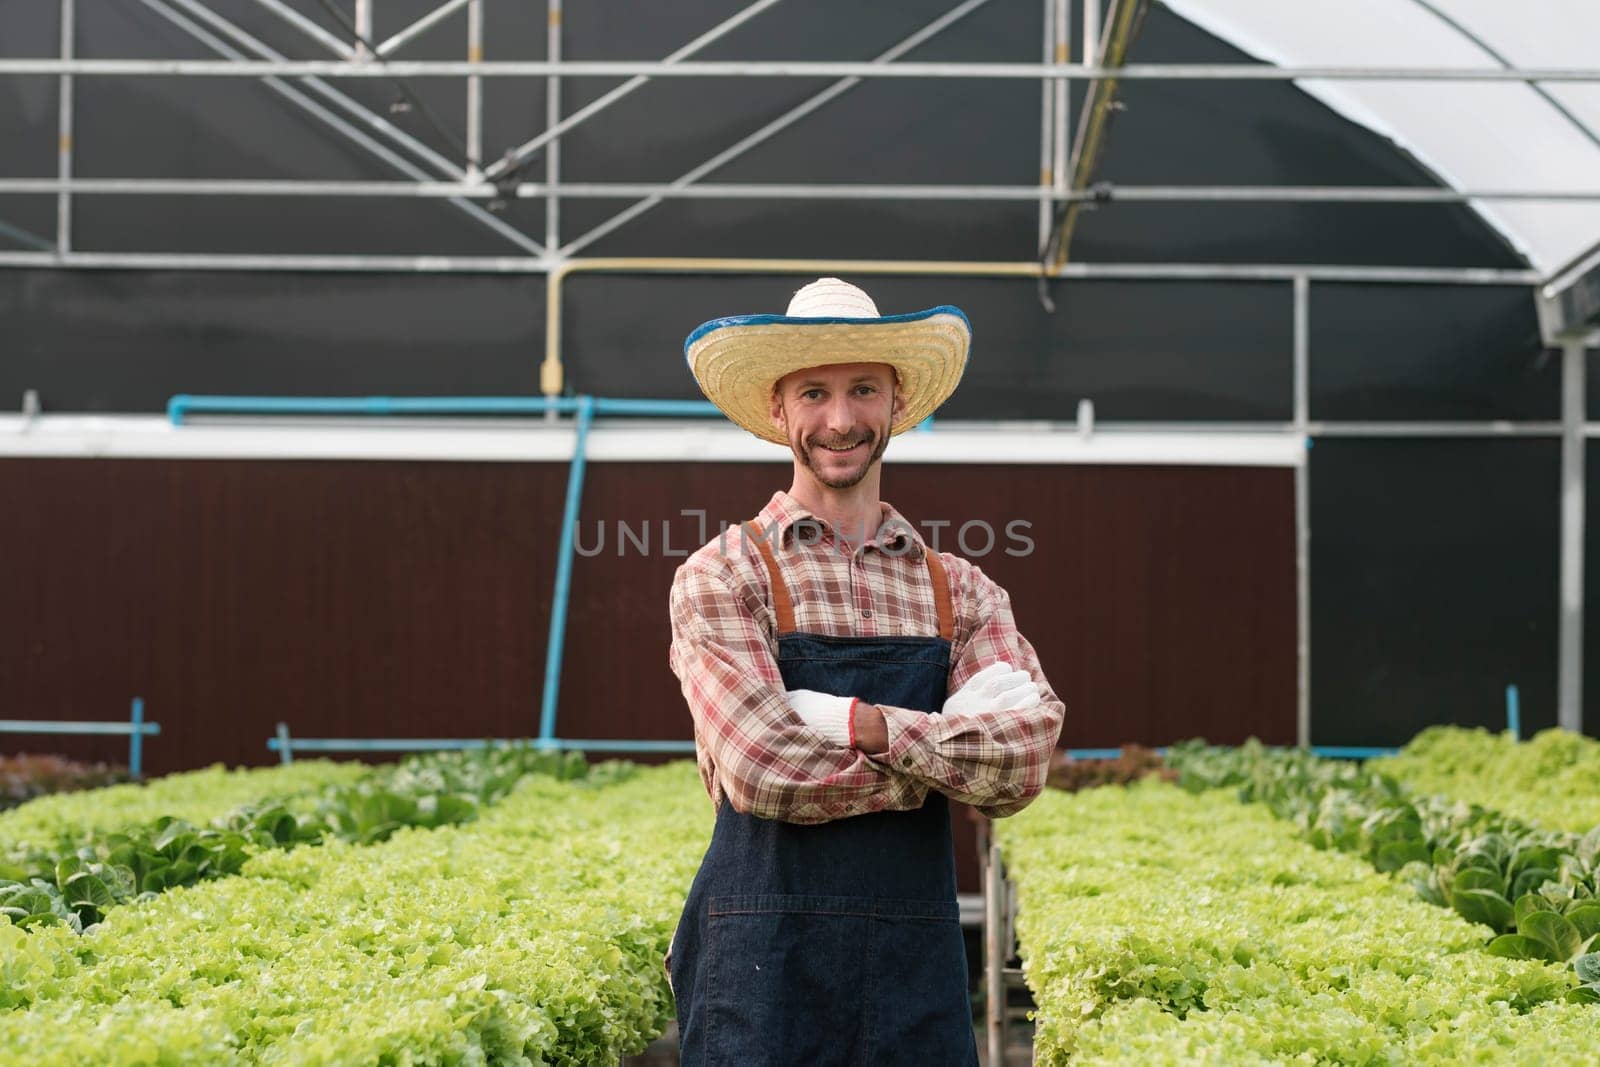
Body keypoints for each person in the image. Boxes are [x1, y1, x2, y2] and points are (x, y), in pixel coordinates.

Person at [666, 277, 1065, 1066]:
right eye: (814, 391)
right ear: (779, 410)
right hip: (761, 971)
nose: (840, 419)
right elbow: (764, 769)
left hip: (912, 978)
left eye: (862, 390)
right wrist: (942, 755)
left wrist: (861, 724)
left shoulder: (962, 589)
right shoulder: (723, 576)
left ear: (897, 400)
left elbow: (1023, 757)